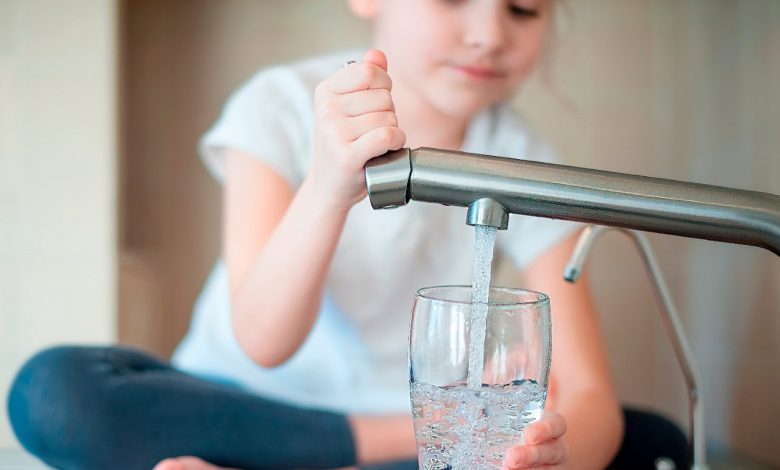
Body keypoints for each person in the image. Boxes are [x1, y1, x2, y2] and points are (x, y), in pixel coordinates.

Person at [8, 1, 688, 469]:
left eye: (523, 8)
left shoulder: (528, 161)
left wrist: (534, 458)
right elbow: (263, 341)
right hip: (238, 415)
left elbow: (589, 395)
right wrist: (330, 185)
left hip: (411, 445)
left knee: (658, 444)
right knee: (55, 391)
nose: (489, 33)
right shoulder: (278, 103)